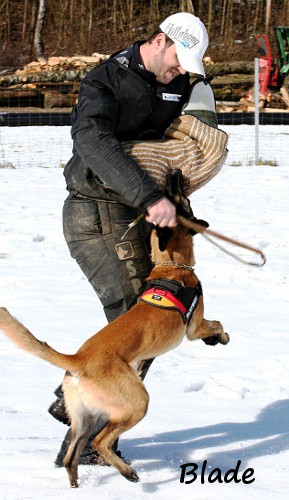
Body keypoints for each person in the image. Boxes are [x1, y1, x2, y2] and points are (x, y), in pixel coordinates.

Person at [49, 12, 221, 467]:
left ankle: (77, 401)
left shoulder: (178, 81)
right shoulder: (103, 82)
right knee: (142, 319)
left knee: (147, 321)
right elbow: (92, 141)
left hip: (133, 209)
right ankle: (86, 437)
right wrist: (148, 195)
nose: (182, 71)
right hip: (94, 209)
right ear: (160, 40)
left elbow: (175, 131)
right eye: (179, 61)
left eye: (189, 66)